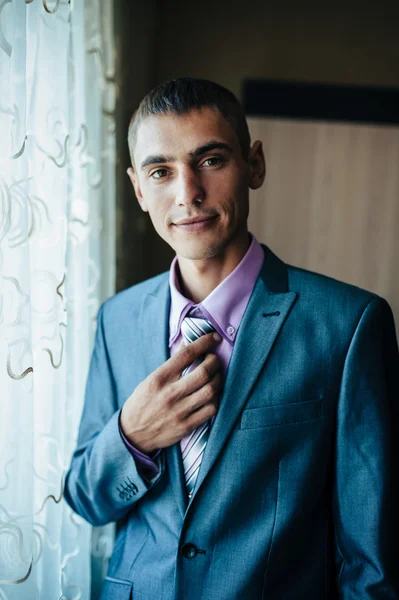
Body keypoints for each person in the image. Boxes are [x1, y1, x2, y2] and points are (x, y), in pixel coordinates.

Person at [64, 77, 399, 600]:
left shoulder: (350, 324)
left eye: (211, 161)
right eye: (161, 172)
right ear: (137, 188)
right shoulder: (117, 318)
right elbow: (86, 499)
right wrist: (133, 436)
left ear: (255, 165)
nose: (187, 193)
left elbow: (372, 558)